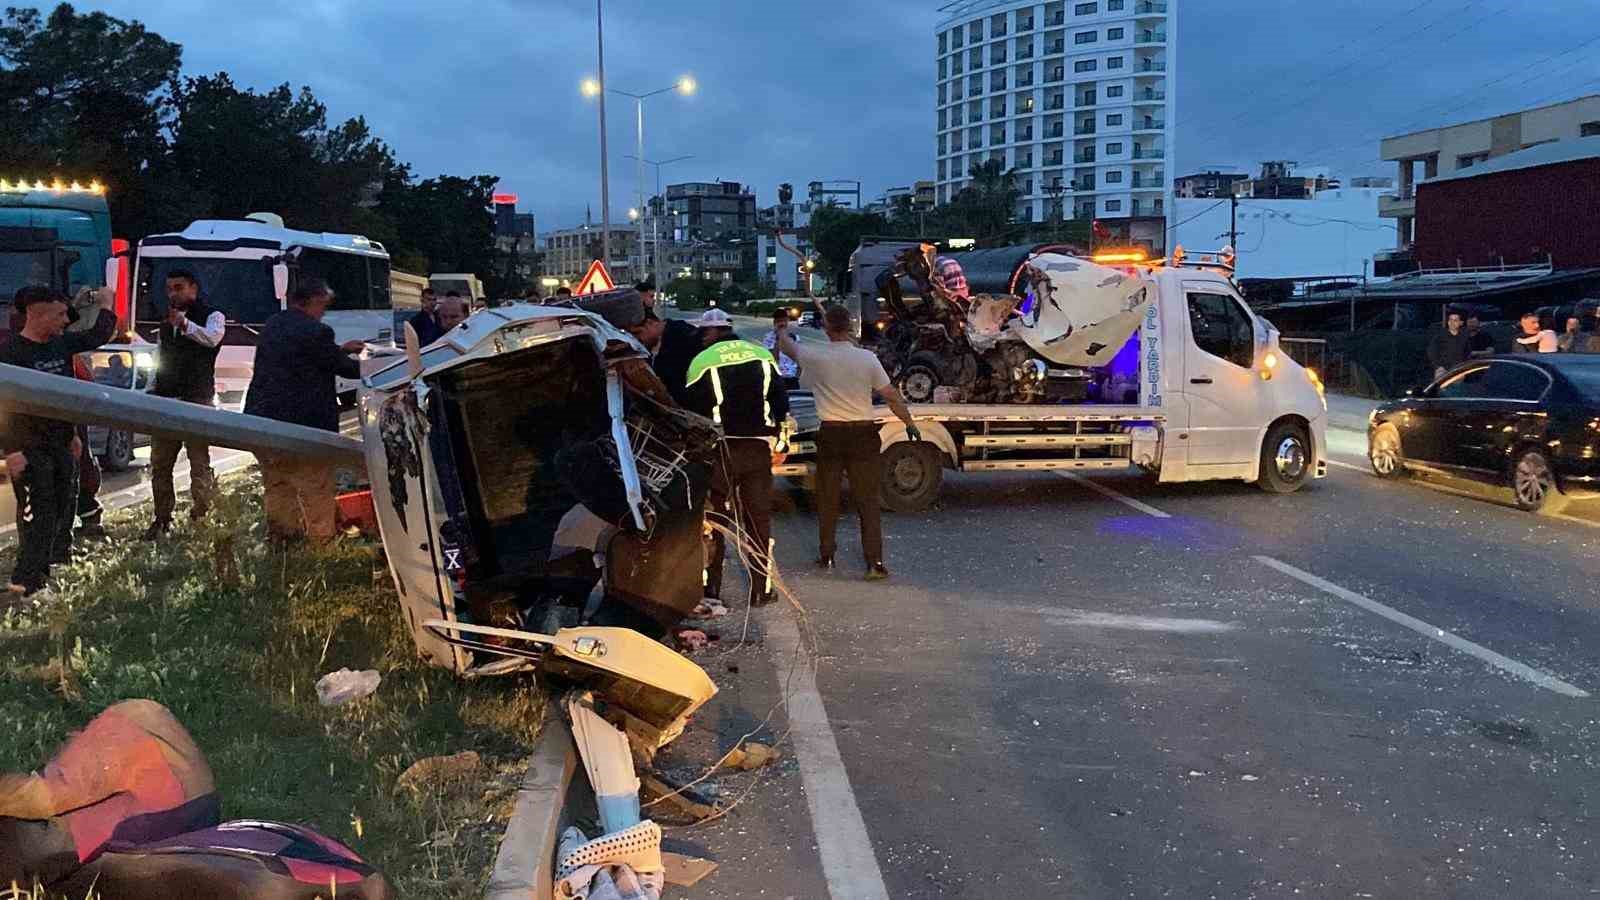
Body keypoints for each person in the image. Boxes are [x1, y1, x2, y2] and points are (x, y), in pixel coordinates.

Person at [774, 304, 918, 582]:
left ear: (826, 328)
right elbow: (890, 395)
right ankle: (874, 562)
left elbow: (788, 347)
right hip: (863, 435)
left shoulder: (815, 355)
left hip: (831, 434)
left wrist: (782, 329)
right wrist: (909, 423)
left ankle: (827, 554)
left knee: (828, 497)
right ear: (849, 328)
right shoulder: (866, 358)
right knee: (867, 500)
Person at [0, 285, 117, 598]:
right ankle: (24, 584)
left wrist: (73, 435)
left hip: (62, 444)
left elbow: (97, 335)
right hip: (28, 449)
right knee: (36, 517)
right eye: (60, 314)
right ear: (37, 315)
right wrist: (11, 451)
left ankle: (46, 572)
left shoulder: (60, 345)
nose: (67, 320)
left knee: (61, 510)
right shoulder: (11, 353)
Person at [242, 278, 365, 544]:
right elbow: (344, 368)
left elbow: (299, 354)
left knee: (277, 485)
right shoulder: (317, 332)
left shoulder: (273, 324)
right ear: (316, 301)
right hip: (304, 426)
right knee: (316, 486)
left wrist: (339, 350)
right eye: (324, 306)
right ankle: (322, 546)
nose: (324, 313)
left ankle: (282, 541)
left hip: (264, 422)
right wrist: (378, 365)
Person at [683, 309, 790, 607]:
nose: (702, 340)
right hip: (757, 448)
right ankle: (761, 590)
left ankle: (710, 589)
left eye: (703, 334)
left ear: (712, 333)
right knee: (758, 521)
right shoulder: (762, 355)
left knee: (713, 521)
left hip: (720, 450)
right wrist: (780, 443)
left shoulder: (702, 362)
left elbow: (691, 411)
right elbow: (781, 403)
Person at [143, 269, 223, 540]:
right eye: (169, 289)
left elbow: (212, 338)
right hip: (166, 399)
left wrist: (186, 325)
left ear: (193, 288)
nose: (173, 294)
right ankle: (162, 519)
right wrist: (151, 389)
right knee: (160, 464)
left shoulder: (213, 315)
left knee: (199, 461)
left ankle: (202, 516)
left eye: (178, 287)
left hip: (197, 399)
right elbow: (160, 356)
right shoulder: (167, 322)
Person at [626, 310, 701, 404]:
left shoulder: (683, 336)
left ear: (650, 323)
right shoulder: (657, 345)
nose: (637, 339)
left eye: (637, 333)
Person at [762, 308, 801, 390]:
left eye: (784, 321)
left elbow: (799, 359)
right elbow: (773, 358)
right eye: (779, 321)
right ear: (774, 323)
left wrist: (797, 375)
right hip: (777, 379)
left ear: (787, 321)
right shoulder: (768, 337)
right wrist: (778, 338)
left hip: (792, 378)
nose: (782, 324)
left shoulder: (794, 337)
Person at [1426, 310, 1471, 378]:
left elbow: (1467, 352)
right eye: (1450, 320)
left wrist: (1463, 366)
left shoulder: (1464, 337)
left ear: (1461, 323)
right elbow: (1431, 351)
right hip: (1442, 370)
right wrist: (1438, 366)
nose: (1452, 323)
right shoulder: (1440, 336)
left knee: (1457, 388)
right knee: (1442, 388)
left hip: (1459, 370)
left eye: (1455, 320)